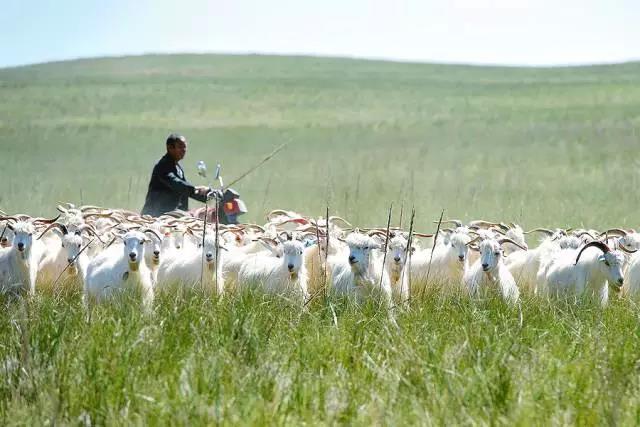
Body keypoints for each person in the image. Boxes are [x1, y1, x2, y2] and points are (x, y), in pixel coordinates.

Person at [141, 133, 212, 217]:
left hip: (170, 213)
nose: (184, 150)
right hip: (155, 214)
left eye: (185, 147)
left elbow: (185, 190)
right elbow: (175, 183)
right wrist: (195, 188)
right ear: (170, 148)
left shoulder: (178, 168)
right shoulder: (162, 165)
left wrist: (209, 195)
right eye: (180, 147)